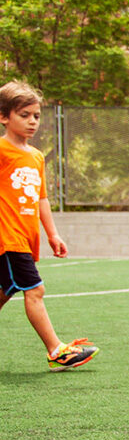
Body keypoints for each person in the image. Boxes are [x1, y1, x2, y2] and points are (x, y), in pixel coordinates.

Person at [0, 81, 98, 370]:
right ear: (4, 116)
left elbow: (41, 197)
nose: (32, 121)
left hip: (26, 238)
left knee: (4, 292)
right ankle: (57, 350)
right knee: (35, 291)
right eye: (24, 115)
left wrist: (53, 234)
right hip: (8, 237)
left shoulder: (36, 156)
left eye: (36, 116)